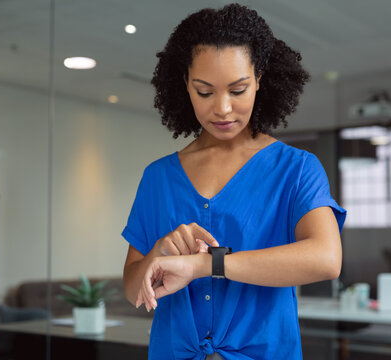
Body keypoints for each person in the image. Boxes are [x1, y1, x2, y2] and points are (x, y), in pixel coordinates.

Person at [122, 4, 346, 359]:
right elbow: (133, 288)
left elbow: (326, 259)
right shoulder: (158, 177)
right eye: (205, 92)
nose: (223, 109)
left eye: (238, 89)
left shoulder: (297, 168)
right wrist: (157, 254)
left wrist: (203, 265)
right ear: (185, 85)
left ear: (259, 79)